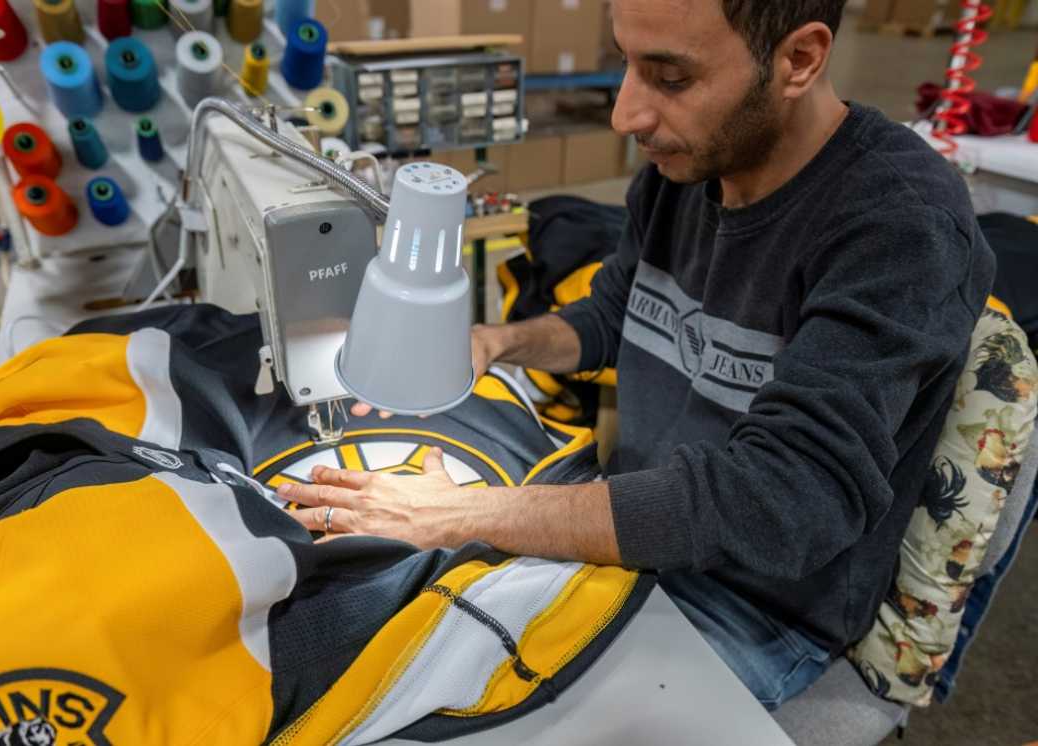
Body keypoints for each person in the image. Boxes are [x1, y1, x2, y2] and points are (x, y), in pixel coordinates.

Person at [279, 0, 996, 710]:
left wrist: (464, 514)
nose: (627, 115)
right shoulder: (686, 171)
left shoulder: (899, 225)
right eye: (625, 64)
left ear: (799, 59)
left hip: (752, 602)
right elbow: (614, 313)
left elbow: (786, 500)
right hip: (638, 535)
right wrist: (498, 342)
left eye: (671, 78)